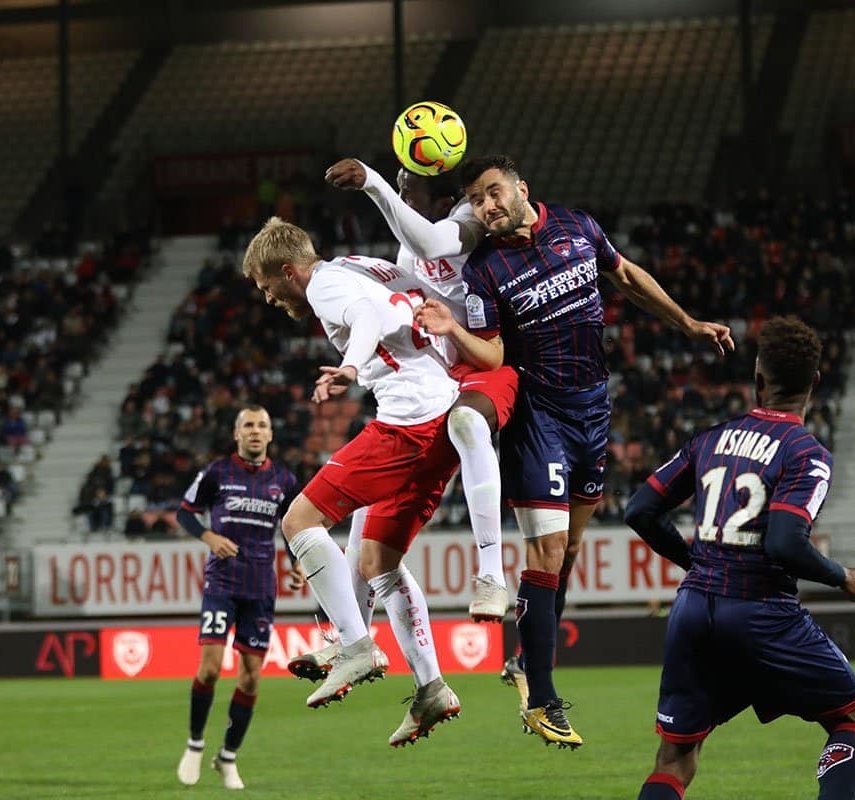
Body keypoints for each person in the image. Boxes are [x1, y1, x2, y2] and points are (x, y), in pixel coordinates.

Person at [415, 154, 733, 747]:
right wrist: (452, 329)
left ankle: (521, 662)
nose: (486, 206)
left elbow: (629, 277)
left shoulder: (578, 226)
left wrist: (687, 323)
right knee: (549, 546)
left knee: (568, 553)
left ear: (520, 189)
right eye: (476, 200)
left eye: (492, 193)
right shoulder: (483, 269)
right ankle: (541, 694)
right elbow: (492, 357)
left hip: (592, 407)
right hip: (538, 415)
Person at [622, 316, 855, 800]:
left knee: (675, 759)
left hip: (695, 610)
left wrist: (695, 562)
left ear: (758, 380)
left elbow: (641, 510)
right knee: (853, 717)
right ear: (815, 383)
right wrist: (843, 577)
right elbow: (784, 542)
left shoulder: (709, 439)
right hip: (763, 612)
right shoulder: (807, 453)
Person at [242, 217, 462, 747]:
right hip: (443, 413)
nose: (268, 298)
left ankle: (354, 645)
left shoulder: (325, 285)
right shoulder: (354, 265)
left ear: (289, 272)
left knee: (298, 520)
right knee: (375, 559)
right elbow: (402, 290)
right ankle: (430, 687)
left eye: (267, 285)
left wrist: (350, 366)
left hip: (411, 421)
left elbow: (364, 314)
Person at [324, 158, 516, 622]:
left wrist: (372, 183)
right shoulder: (407, 258)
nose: (402, 202)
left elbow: (429, 239)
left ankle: (492, 574)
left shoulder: (467, 222)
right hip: (441, 374)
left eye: (409, 194)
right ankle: (348, 633)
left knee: (469, 424)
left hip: (489, 358)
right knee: (371, 492)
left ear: (445, 204)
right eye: (400, 192)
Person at [174, 405, 306, 790]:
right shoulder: (217, 472)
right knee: (211, 668)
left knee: (250, 679)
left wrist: (297, 563)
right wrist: (208, 536)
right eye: (248, 425)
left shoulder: (284, 479)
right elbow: (185, 512)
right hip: (222, 583)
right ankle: (195, 744)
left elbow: (295, 526)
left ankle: (227, 757)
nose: (254, 431)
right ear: (237, 434)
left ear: (270, 435)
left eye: (262, 425)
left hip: (261, 587)